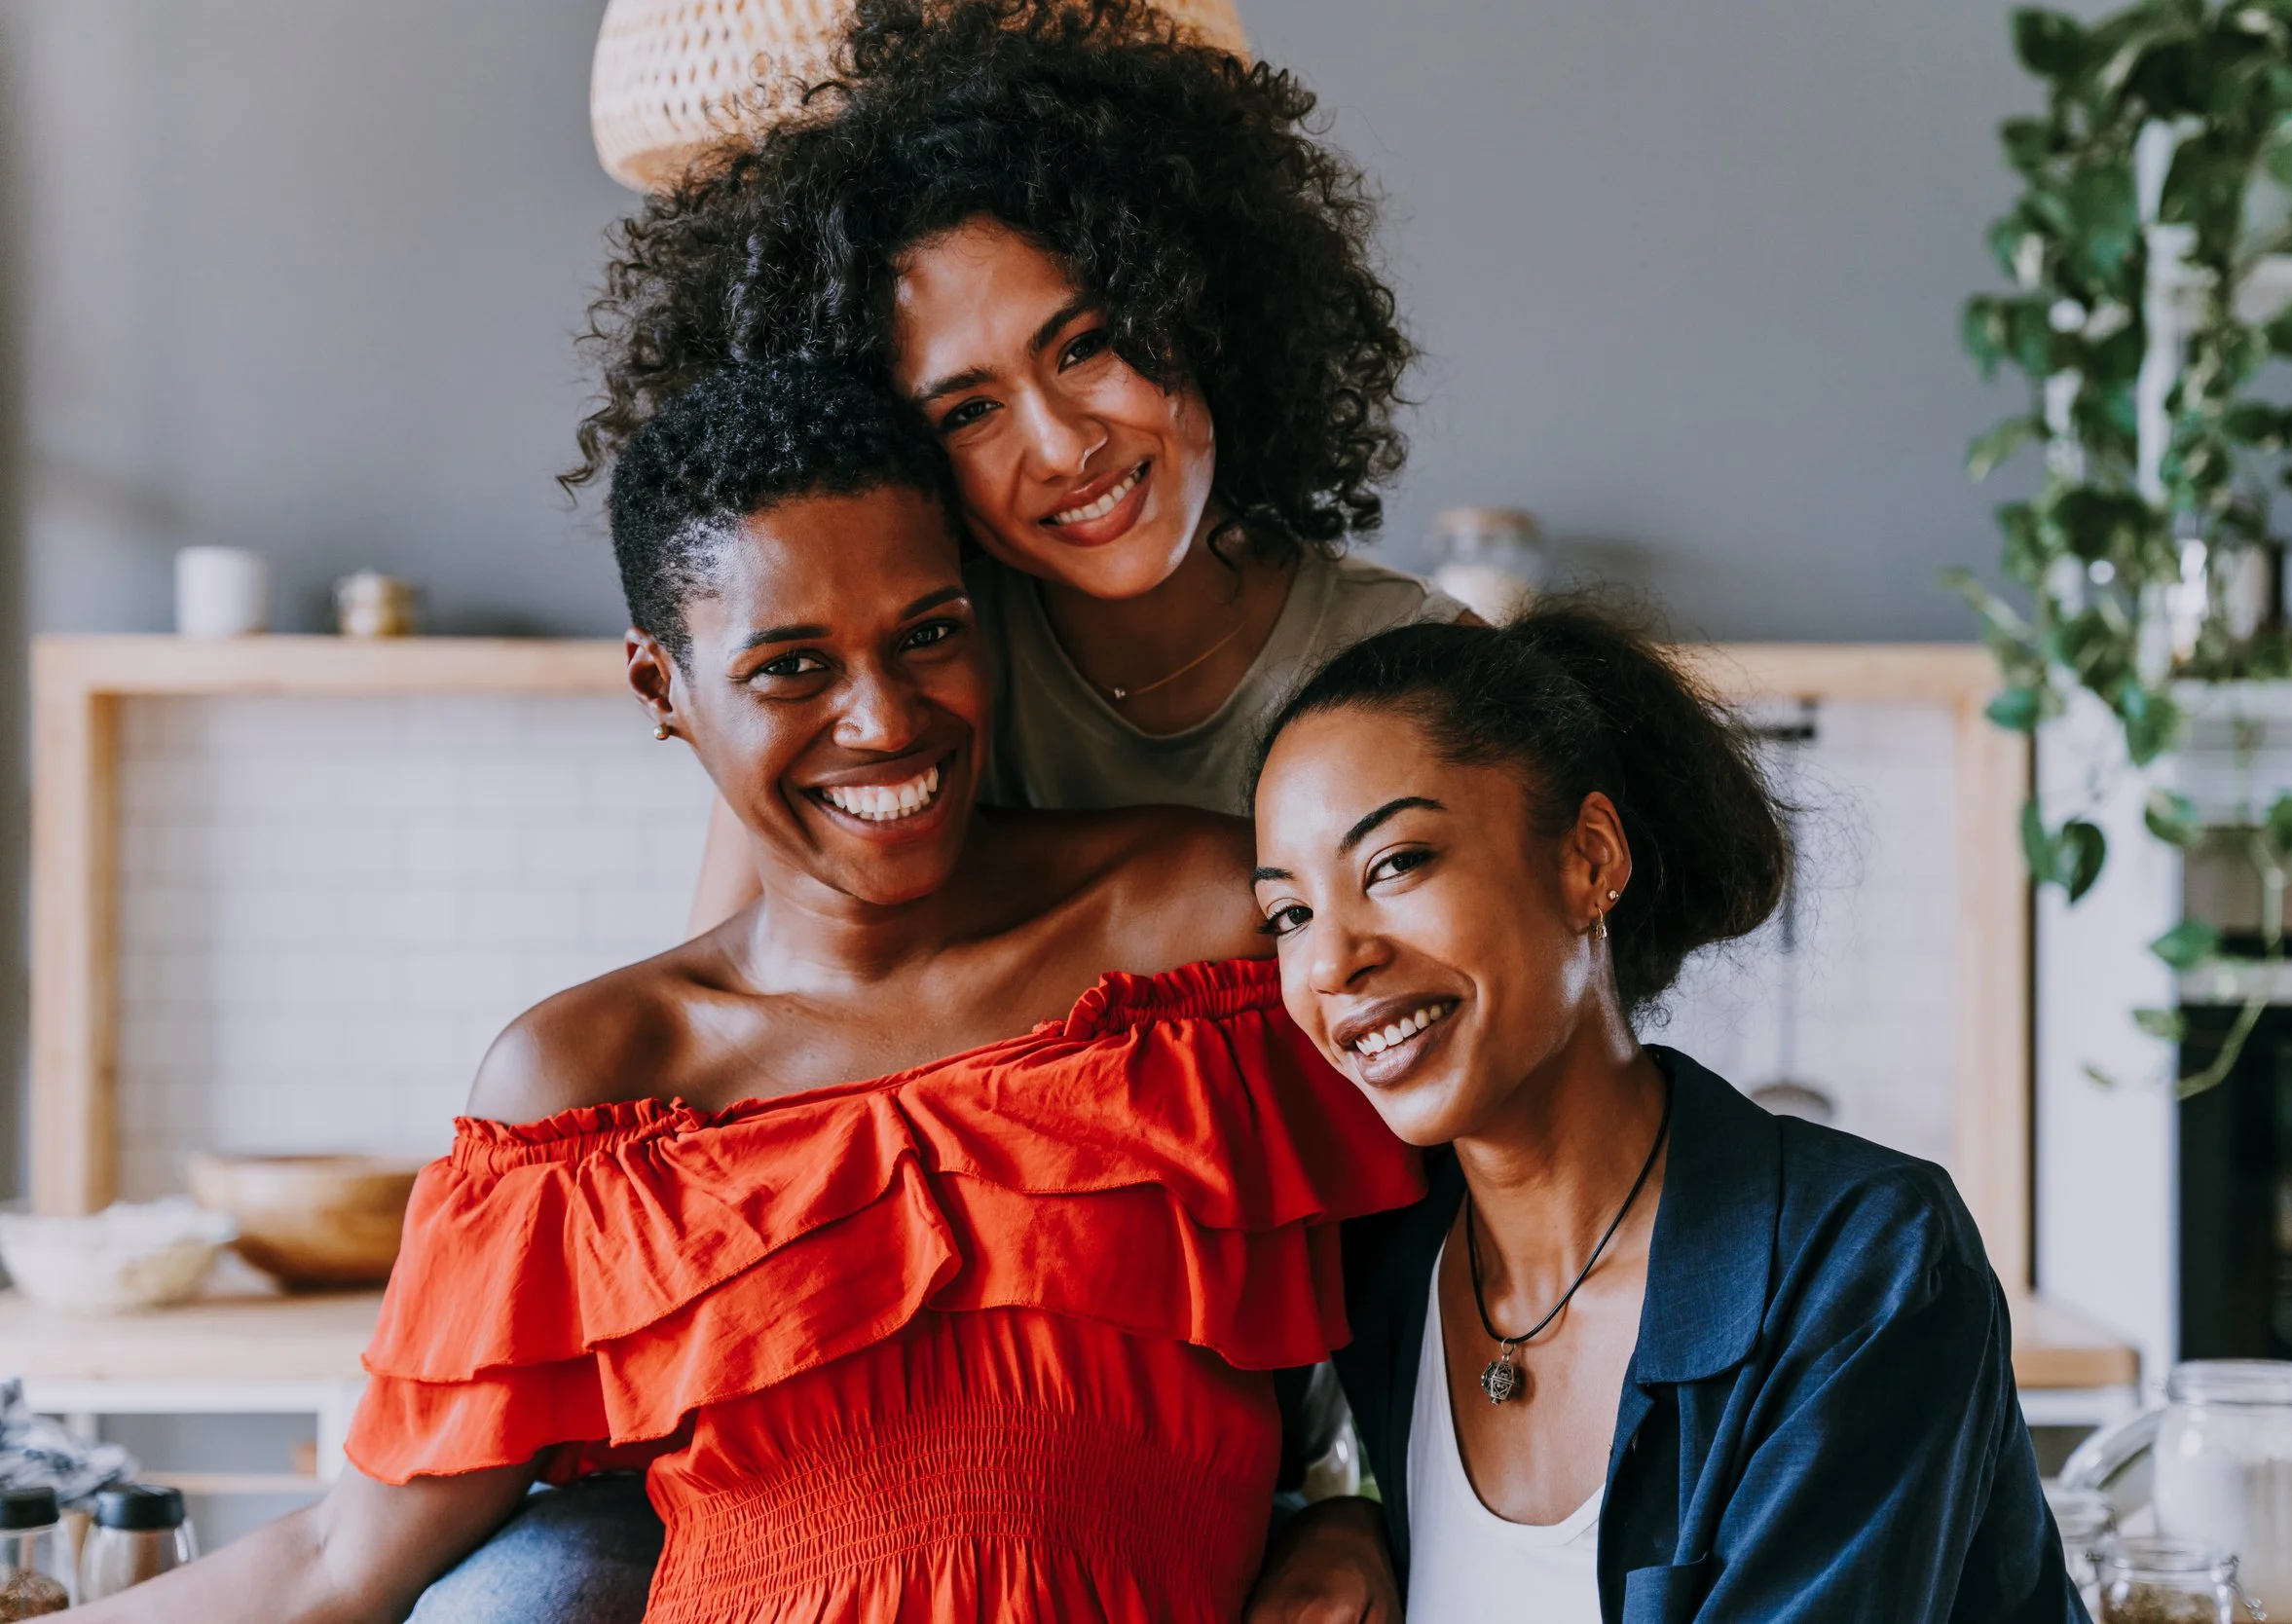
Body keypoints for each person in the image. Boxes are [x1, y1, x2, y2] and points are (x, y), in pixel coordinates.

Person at [65, 360, 1419, 1624]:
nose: (885, 719)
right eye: (791, 667)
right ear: (665, 686)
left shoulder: (1195, 933)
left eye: (928, 634)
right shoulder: (587, 1092)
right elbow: (335, 1561)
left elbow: (1454, 1267)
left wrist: (1359, 1517)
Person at [1243, 610, 2088, 1622]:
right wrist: (1334, 1517)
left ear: (1588, 859)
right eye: (1289, 914)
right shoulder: (1376, 1263)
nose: (1332, 963)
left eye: (1395, 864)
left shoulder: (1863, 1265)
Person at [566, 0, 1469, 933]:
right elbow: (749, 1010)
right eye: (968, 410)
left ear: (1202, 309)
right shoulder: (901, 680)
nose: (1063, 446)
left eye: (1087, 347)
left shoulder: (1420, 661)